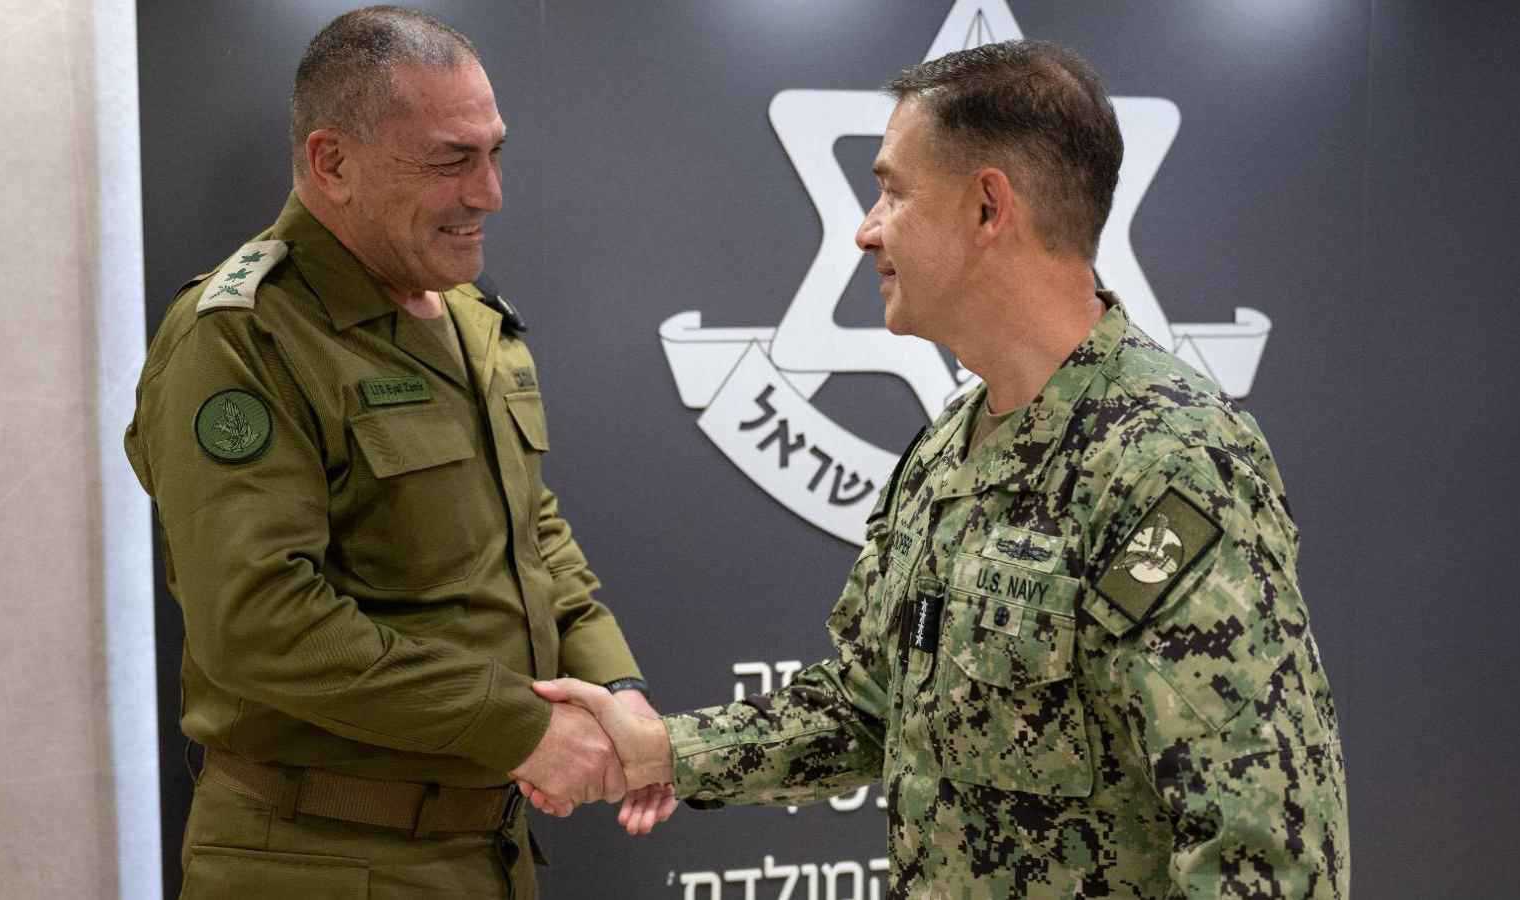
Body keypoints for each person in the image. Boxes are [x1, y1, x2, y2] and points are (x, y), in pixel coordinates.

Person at [530, 40, 1351, 898]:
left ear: (988, 207)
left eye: (892, 191)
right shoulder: (947, 450)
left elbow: (1264, 854)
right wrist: (658, 751)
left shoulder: (1168, 463)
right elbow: (867, 705)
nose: (866, 229)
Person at [123, 7, 671, 898]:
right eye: (452, 160)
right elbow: (260, 621)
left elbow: (530, 533)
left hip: (486, 850)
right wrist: (521, 727)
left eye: (494, 153)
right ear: (332, 163)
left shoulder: (471, 319)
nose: (489, 193)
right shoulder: (241, 336)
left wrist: (617, 689)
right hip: (321, 860)